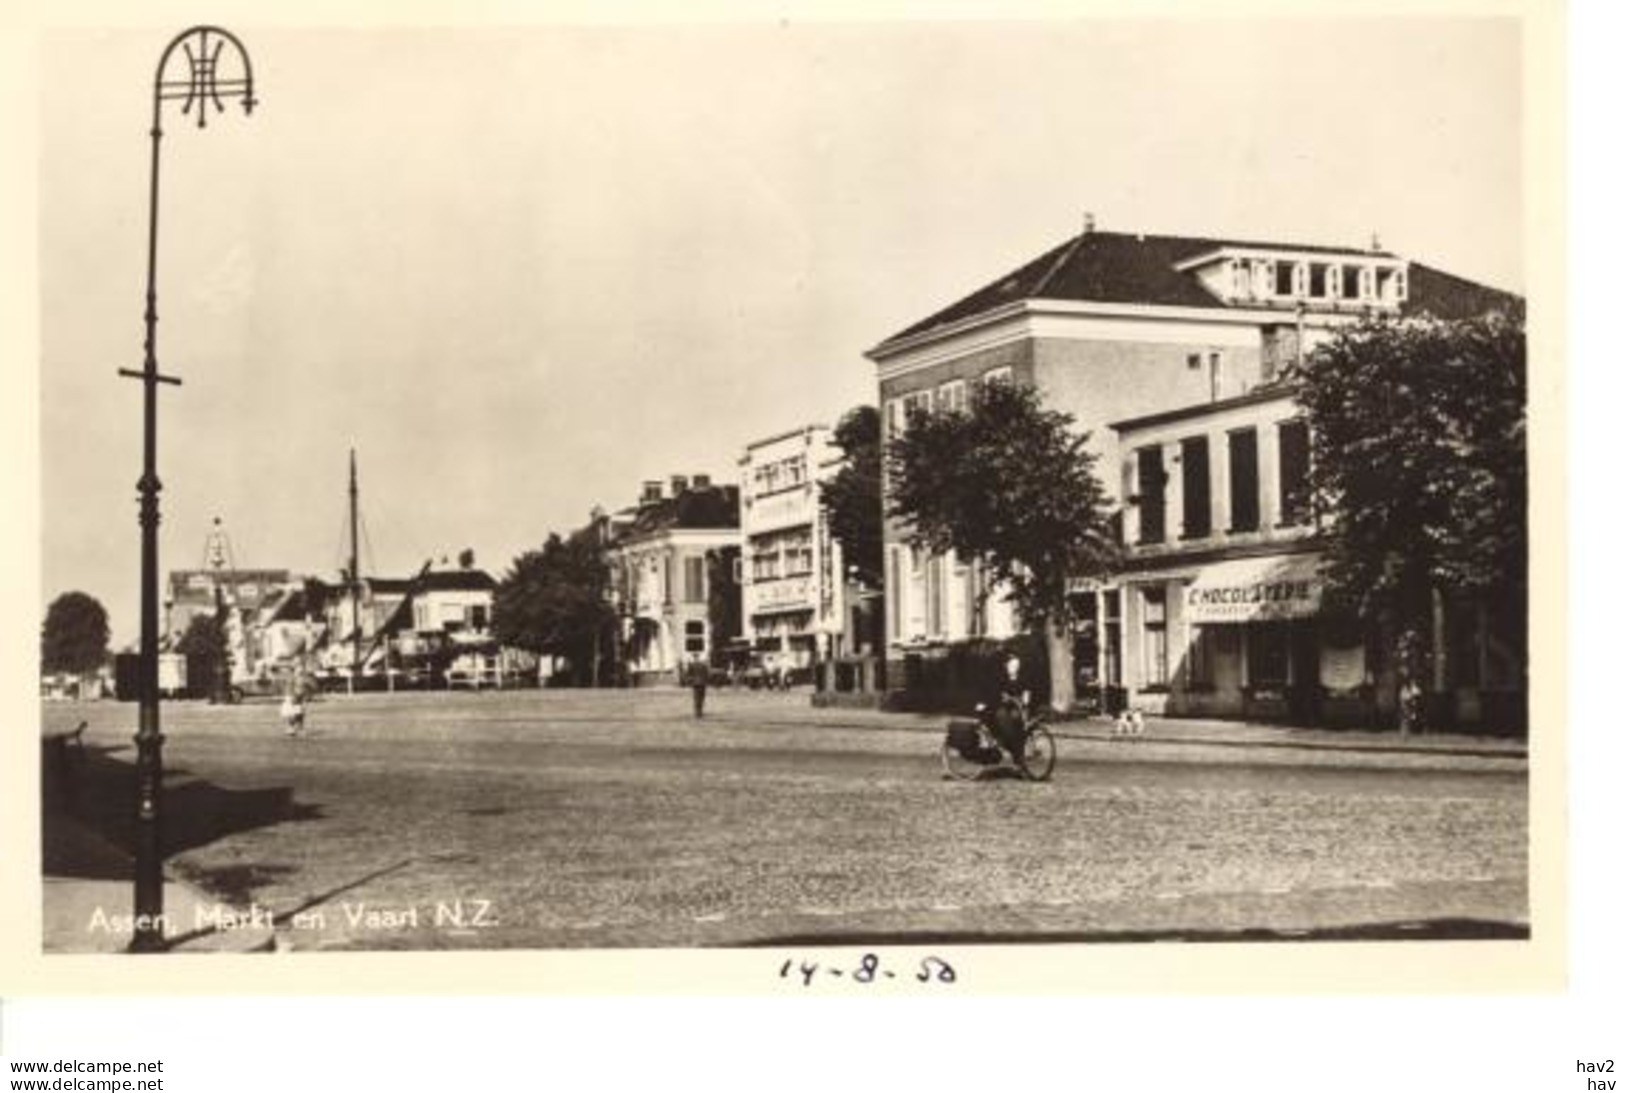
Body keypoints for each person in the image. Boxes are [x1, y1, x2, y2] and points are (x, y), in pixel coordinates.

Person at [982, 652, 1032, 764]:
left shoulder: (1023, 678)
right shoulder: (1002, 678)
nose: (1015, 668)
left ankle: (1015, 748)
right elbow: (996, 693)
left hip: (1018, 707)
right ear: (1007, 665)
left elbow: (1026, 692)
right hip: (1004, 707)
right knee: (1000, 715)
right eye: (1012, 665)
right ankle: (1007, 743)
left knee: (1015, 717)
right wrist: (1001, 698)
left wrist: (1025, 700)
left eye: (1017, 666)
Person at [280, 666, 310, 738]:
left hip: (299, 698)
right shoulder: (292, 679)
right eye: (299, 671)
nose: (300, 672)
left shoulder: (303, 680)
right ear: (295, 672)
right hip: (293, 698)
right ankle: (291, 729)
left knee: (300, 714)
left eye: (301, 671)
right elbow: (289, 689)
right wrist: (292, 697)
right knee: (293, 714)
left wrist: (304, 699)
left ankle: (299, 729)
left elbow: (304, 690)